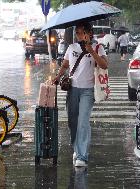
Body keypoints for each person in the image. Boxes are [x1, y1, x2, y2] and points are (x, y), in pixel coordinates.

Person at [52, 22, 108, 167]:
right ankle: (76, 149)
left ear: (89, 33)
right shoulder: (72, 47)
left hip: (88, 90)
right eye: (76, 32)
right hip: (73, 89)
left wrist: (91, 50)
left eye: (80, 32)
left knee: (83, 122)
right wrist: (58, 77)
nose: (77, 35)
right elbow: (65, 65)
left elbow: (104, 65)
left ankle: (82, 156)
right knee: (73, 122)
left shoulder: (98, 47)